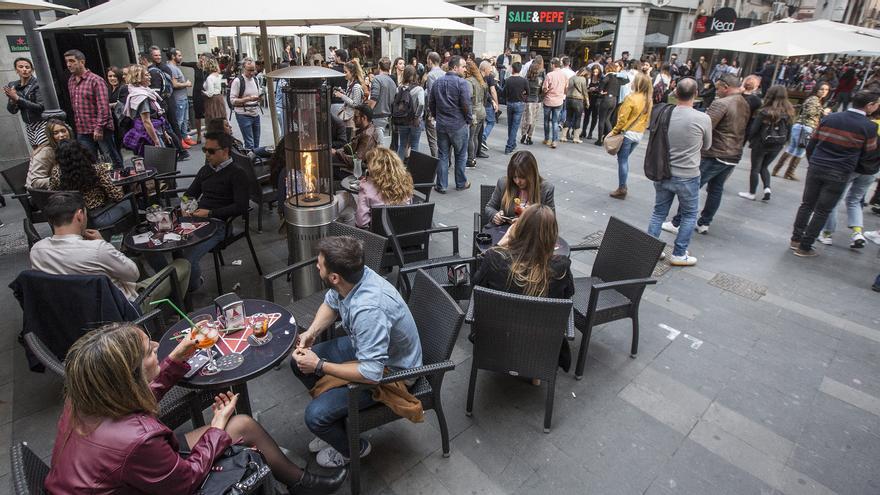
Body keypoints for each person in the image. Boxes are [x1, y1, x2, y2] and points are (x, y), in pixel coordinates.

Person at [44, 322, 347, 494]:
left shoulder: (88, 395)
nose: (154, 346)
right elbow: (185, 480)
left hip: (124, 478)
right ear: (130, 375)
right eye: (150, 351)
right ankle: (301, 483)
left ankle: (300, 482)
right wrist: (216, 427)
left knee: (242, 424)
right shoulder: (138, 439)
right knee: (234, 427)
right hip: (154, 484)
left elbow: (141, 396)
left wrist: (179, 355)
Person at [290, 236, 423, 468]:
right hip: (366, 346)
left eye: (319, 264)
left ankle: (353, 448)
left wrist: (319, 365)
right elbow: (331, 303)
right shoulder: (353, 277)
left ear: (334, 277)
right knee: (297, 363)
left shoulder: (369, 311)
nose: (316, 266)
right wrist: (312, 331)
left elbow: (372, 373)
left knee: (315, 417)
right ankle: (337, 423)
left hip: (393, 371)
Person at [30, 192, 190, 308]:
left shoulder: (37, 250)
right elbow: (133, 274)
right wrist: (102, 243)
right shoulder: (97, 249)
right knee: (182, 264)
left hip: (75, 311)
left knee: (133, 262)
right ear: (79, 215)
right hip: (123, 310)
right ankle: (171, 312)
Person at [473, 204, 574, 382]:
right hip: (541, 346)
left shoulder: (494, 260)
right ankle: (535, 373)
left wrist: (500, 244)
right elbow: (567, 298)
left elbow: (476, 287)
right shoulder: (561, 268)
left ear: (518, 230)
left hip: (497, 340)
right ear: (552, 237)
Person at [789, 91, 880, 257]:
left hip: (817, 166)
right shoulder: (869, 127)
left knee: (807, 204)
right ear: (870, 105)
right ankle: (805, 246)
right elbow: (869, 155)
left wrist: (814, 161)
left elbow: (812, 143)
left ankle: (796, 239)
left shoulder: (831, 118)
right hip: (840, 171)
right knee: (822, 210)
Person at [666, 74, 750, 235]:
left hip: (716, 153)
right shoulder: (743, 103)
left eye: (718, 88)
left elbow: (705, 126)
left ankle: (678, 222)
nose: (716, 91)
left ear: (726, 87)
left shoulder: (721, 103)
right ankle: (704, 222)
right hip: (733, 153)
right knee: (716, 188)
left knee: (692, 188)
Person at [649, 78, 712, 266]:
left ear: (675, 93)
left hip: (663, 171)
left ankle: (650, 249)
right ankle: (679, 253)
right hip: (688, 174)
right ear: (696, 94)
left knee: (659, 212)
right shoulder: (702, 118)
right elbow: (707, 145)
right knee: (689, 215)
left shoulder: (663, 113)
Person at [177, 131, 250, 291]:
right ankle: (177, 285)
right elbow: (189, 194)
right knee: (163, 245)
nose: (207, 154)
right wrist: (184, 205)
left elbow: (241, 206)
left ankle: (190, 288)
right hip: (196, 220)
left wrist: (209, 213)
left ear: (225, 151)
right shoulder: (206, 170)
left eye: (211, 151)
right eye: (205, 150)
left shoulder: (237, 173)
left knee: (188, 259)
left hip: (219, 225)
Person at [49, 140, 129, 229]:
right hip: (97, 217)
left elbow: (52, 193)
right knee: (129, 202)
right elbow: (117, 196)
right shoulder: (95, 170)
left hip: (71, 221)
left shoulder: (56, 172)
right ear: (82, 152)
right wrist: (121, 188)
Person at [64, 49, 123, 169]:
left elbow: (103, 107)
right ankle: (100, 185)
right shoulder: (71, 81)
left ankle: (123, 185)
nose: (69, 64)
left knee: (110, 159)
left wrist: (99, 128)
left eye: (72, 61)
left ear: (82, 62)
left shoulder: (96, 80)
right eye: (66, 61)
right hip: (82, 129)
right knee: (90, 161)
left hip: (100, 129)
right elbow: (75, 106)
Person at [738, 85, 794, 201]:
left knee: (755, 168)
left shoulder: (765, 111)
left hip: (761, 143)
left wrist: (751, 140)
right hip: (778, 144)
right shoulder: (789, 112)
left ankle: (752, 192)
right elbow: (790, 130)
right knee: (765, 166)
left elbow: (754, 129)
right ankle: (767, 188)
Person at [430, 55, 472, 193]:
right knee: (460, 155)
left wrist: (437, 117)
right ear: (455, 67)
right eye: (463, 66)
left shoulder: (437, 82)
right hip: (458, 124)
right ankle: (460, 182)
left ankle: (441, 185)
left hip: (442, 124)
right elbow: (466, 105)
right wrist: (468, 119)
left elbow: (432, 103)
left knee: (443, 155)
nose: (465, 69)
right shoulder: (462, 83)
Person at [773, 82, 831, 180]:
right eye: (822, 89)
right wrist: (823, 112)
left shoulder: (813, 99)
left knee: (791, 148)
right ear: (817, 89)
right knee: (800, 150)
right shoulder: (814, 100)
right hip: (806, 128)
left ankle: (777, 169)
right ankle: (789, 172)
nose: (824, 92)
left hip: (800, 126)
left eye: (826, 90)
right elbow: (810, 112)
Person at [608, 72, 652, 199]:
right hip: (638, 134)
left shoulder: (631, 98)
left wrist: (614, 131)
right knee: (624, 160)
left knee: (622, 160)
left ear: (637, 83)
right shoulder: (648, 99)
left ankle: (622, 187)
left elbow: (622, 119)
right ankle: (622, 186)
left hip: (628, 133)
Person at [484, 150, 555, 224]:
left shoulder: (546, 189)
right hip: (504, 230)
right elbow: (489, 207)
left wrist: (526, 222)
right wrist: (495, 215)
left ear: (532, 175)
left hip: (531, 234)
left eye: (522, 177)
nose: (517, 181)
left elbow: (551, 220)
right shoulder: (503, 183)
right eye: (514, 177)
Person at [354, 147, 414, 228]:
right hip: (402, 231)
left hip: (378, 236)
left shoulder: (366, 188)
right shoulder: (405, 183)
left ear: (374, 168)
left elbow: (361, 222)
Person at [121, 64, 171, 157]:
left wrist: (164, 133)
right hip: (148, 136)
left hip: (154, 132)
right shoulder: (141, 96)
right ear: (139, 77)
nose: (150, 77)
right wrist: (156, 142)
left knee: (158, 164)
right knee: (158, 164)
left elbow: (155, 115)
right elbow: (146, 121)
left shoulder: (145, 91)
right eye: (147, 75)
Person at [5, 57, 46, 149]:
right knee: (36, 152)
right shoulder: (13, 85)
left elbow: (40, 107)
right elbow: (12, 111)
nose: (24, 69)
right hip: (28, 125)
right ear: (16, 70)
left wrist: (17, 98)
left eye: (27, 67)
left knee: (43, 153)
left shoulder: (38, 84)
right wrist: (12, 100)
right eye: (21, 67)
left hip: (42, 123)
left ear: (32, 70)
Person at [331, 105, 381, 174]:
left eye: (356, 117)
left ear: (364, 118)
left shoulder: (367, 135)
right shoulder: (363, 131)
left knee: (327, 162)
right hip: (353, 167)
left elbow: (357, 161)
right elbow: (348, 148)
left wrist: (337, 153)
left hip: (359, 171)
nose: (353, 119)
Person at [392, 66, 425, 161]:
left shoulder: (399, 88)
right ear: (415, 75)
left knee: (402, 144)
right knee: (415, 145)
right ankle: (413, 171)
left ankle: (399, 169)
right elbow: (422, 103)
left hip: (402, 120)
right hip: (414, 121)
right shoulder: (419, 89)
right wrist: (417, 117)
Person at [27, 119, 71, 189]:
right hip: (42, 193)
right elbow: (35, 182)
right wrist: (59, 180)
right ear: (50, 136)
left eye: (63, 131)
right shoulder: (45, 152)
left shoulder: (72, 146)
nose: (61, 135)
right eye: (56, 133)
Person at [229, 58, 262, 150]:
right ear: (243, 68)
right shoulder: (237, 81)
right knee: (249, 143)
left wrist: (259, 98)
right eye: (249, 70)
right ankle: (250, 162)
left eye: (253, 70)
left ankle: (255, 161)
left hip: (255, 114)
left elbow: (257, 94)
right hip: (243, 115)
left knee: (256, 142)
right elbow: (232, 100)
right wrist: (248, 99)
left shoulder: (256, 80)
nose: (252, 73)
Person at [167, 48, 194, 145]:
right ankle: (179, 140)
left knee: (184, 120)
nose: (181, 57)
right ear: (173, 56)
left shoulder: (175, 67)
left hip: (183, 98)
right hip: (178, 99)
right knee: (179, 120)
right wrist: (186, 84)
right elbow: (174, 84)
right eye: (179, 55)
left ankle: (185, 137)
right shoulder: (172, 68)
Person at [181, 53, 209, 144]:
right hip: (197, 92)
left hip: (207, 93)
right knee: (198, 115)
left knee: (208, 114)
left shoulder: (209, 68)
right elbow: (182, 63)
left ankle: (208, 133)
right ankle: (199, 134)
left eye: (204, 59)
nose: (202, 60)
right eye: (201, 58)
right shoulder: (195, 65)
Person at [334, 61, 366, 142]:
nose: (344, 74)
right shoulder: (350, 83)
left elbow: (356, 104)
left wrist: (342, 96)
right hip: (348, 117)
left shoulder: (356, 86)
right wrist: (343, 93)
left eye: (346, 72)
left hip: (351, 117)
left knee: (351, 140)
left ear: (352, 72)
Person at [540, 57, 567, 148]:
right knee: (555, 122)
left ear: (553, 65)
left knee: (546, 121)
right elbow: (566, 88)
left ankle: (547, 139)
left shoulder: (549, 75)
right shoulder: (564, 75)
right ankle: (554, 141)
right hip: (559, 101)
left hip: (548, 100)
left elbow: (544, 88)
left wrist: (545, 91)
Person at [465, 60, 487, 168]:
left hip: (474, 112)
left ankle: (470, 160)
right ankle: (473, 158)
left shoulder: (469, 81)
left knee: (471, 137)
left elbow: (468, 99)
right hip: (482, 110)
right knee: (475, 137)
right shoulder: (480, 80)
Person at [368, 57, 396, 141]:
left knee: (379, 143)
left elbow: (374, 98)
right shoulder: (392, 81)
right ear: (389, 68)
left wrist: (367, 112)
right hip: (386, 114)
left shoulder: (377, 79)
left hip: (377, 114)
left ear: (379, 66)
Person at [502, 61, 528, 155]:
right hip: (519, 103)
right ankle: (509, 146)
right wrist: (523, 95)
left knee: (510, 125)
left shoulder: (508, 80)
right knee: (515, 126)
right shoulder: (524, 80)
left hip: (510, 103)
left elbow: (504, 92)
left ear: (513, 69)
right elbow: (527, 92)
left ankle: (512, 144)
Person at [424, 52, 445, 158]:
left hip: (434, 111)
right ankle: (444, 160)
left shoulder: (431, 75)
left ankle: (436, 161)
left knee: (433, 139)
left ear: (430, 61)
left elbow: (431, 95)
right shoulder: (444, 73)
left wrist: (430, 113)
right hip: (444, 111)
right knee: (442, 139)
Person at [594, 62, 621, 146]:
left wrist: (600, 91)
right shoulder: (617, 78)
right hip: (614, 100)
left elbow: (600, 89)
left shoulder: (608, 76)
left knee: (602, 120)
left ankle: (599, 140)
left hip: (606, 99)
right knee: (607, 119)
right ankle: (610, 139)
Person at [520, 55, 544, 146]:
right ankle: (529, 137)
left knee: (525, 119)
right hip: (536, 101)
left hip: (527, 101)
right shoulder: (539, 80)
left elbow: (523, 91)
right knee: (533, 120)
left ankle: (523, 134)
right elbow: (542, 90)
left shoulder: (526, 80)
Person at [560, 67, 588, 144]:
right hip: (578, 100)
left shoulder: (571, 78)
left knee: (568, 117)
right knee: (578, 118)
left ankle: (563, 136)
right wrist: (587, 102)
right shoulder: (583, 79)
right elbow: (585, 91)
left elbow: (567, 88)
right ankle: (576, 138)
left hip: (569, 99)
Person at [478, 60, 498, 157]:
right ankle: (472, 157)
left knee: (479, 129)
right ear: (485, 69)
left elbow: (487, 92)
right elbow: (491, 91)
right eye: (489, 69)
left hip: (482, 106)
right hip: (478, 108)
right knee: (475, 133)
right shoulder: (478, 79)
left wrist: (493, 101)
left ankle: (477, 150)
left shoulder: (484, 78)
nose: (490, 71)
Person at [580, 65, 603, 141]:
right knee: (586, 115)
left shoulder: (601, 79)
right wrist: (589, 89)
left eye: (596, 72)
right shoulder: (589, 78)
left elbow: (603, 88)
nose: (595, 73)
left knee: (594, 116)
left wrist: (596, 89)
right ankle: (583, 131)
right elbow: (584, 87)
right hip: (589, 98)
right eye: (594, 72)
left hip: (597, 99)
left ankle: (590, 132)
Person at [202, 57, 226, 122]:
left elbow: (210, 93)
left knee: (213, 119)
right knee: (220, 117)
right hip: (219, 98)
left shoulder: (210, 78)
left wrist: (203, 92)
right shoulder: (218, 75)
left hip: (213, 100)